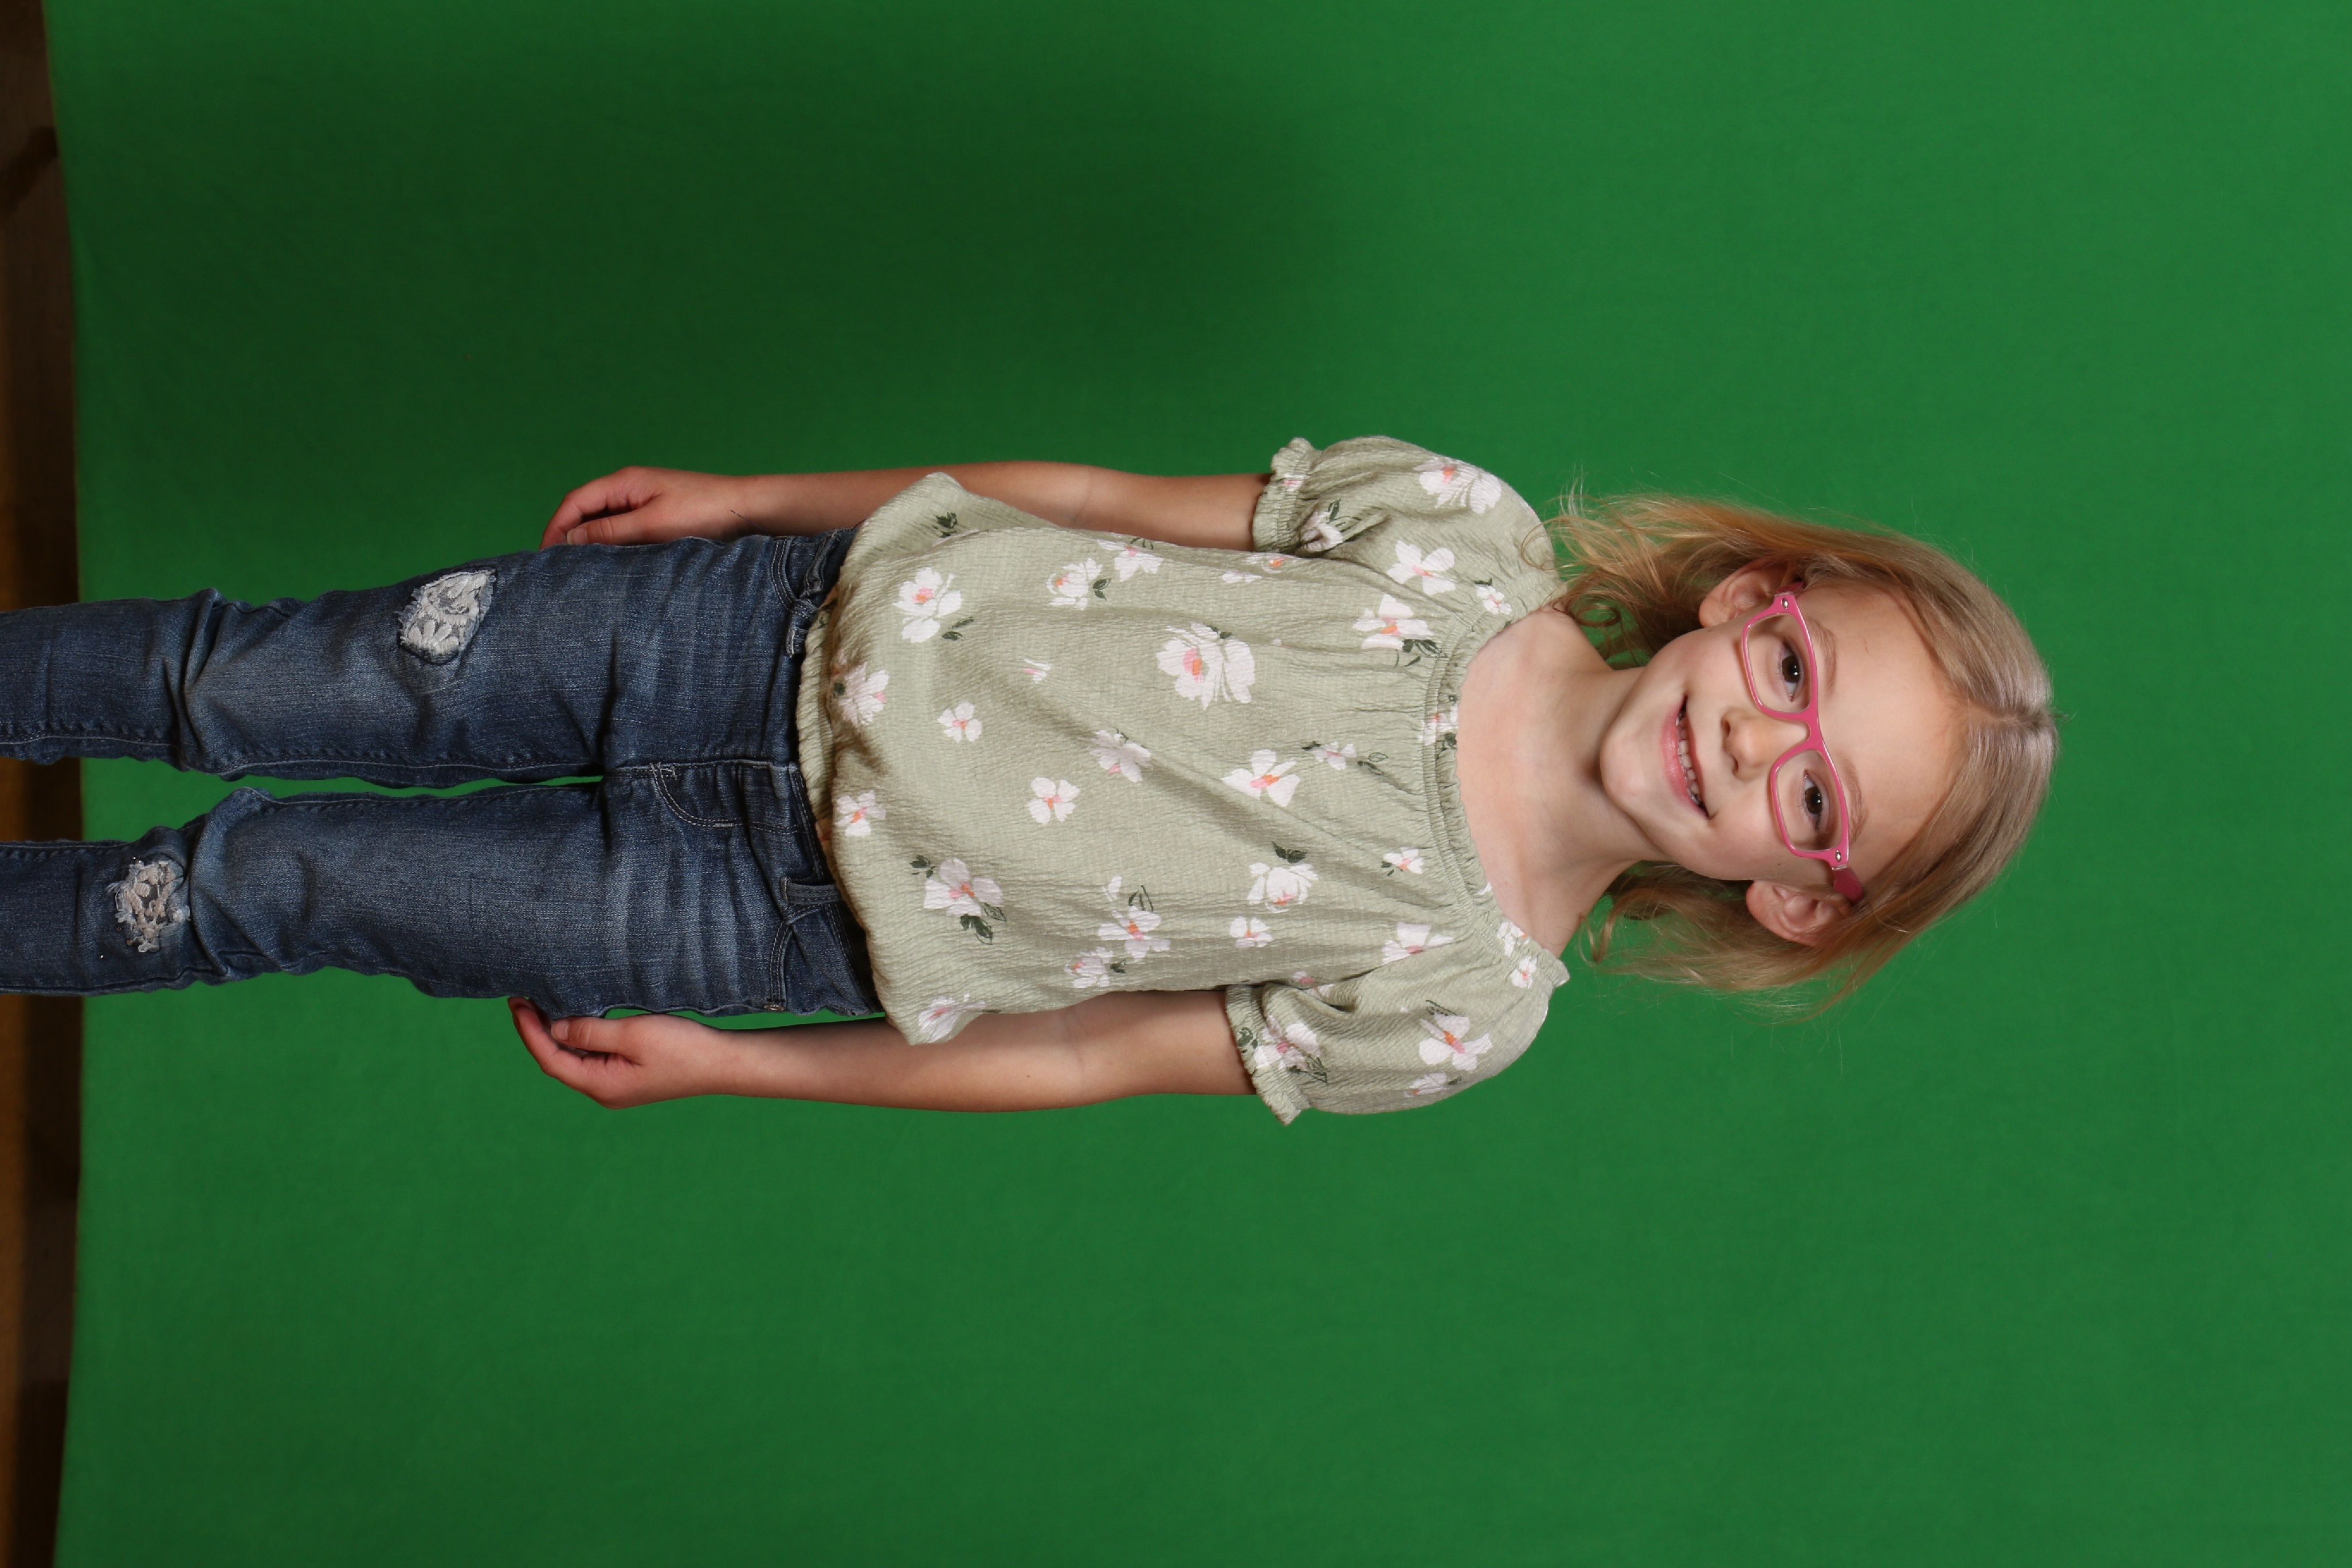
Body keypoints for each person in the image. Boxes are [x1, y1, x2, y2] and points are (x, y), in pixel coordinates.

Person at [0, 437, 2056, 1122]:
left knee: (273, 888)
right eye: (1793, 675)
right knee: (246, 674)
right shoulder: (1454, 535)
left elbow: (1077, 1058)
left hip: (753, 921)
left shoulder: (1458, 1002)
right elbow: (1077, 491)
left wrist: (741, 1068)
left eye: (1816, 801)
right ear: (1755, 602)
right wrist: (759, 498)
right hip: (746, 625)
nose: (1756, 742)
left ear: (1799, 893)